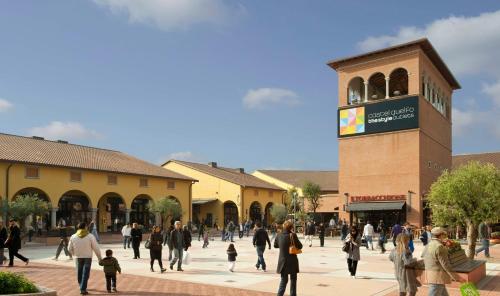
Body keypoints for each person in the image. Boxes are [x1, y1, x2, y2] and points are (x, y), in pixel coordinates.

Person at [423, 227, 461, 296]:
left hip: (430, 274)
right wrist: (456, 277)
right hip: (437, 277)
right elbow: (446, 265)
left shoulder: (428, 244)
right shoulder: (439, 246)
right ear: (441, 235)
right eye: (444, 234)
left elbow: (424, 256)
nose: (445, 236)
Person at [68, 222, 102, 295]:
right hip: (87, 257)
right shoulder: (90, 236)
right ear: (85, 227)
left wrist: (74, 254)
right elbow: (96, 248)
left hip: (78, 257)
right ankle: (83, 288)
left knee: (79, 272)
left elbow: (69, 249)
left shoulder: (73, 236)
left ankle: (81, 285)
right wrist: (99, 258)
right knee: (85, 273)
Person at [274, 220, 302, 296]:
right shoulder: (293, 235)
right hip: (292, 261)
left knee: (283, 281)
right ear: (291, 227)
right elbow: (300, 246)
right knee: (293, 281)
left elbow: (275, 245)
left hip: (283, 261)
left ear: (283, 226)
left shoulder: (279, 235)